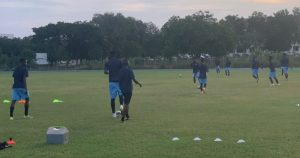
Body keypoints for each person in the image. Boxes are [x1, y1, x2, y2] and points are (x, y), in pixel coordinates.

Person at [104, 51, 124, 118]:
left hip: (112, 82)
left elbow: (105, 72)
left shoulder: (108, 62)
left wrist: (109, 71)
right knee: (121, 94)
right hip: (119, 81)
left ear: (110, 55)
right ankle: (121, 106)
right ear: (115, 55)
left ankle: (113, 113)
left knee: (112, 98)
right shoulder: (119, 61)